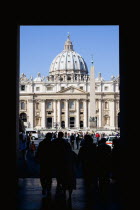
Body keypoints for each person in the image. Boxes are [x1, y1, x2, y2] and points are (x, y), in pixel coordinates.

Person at [53, 131, 76, 201]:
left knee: (58, 172)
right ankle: (67, 192)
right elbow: (75, 158)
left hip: (57, 159)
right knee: (66, 176)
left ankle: (59, 182)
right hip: (66, 165)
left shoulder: (54, 142)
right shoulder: (65, 143)